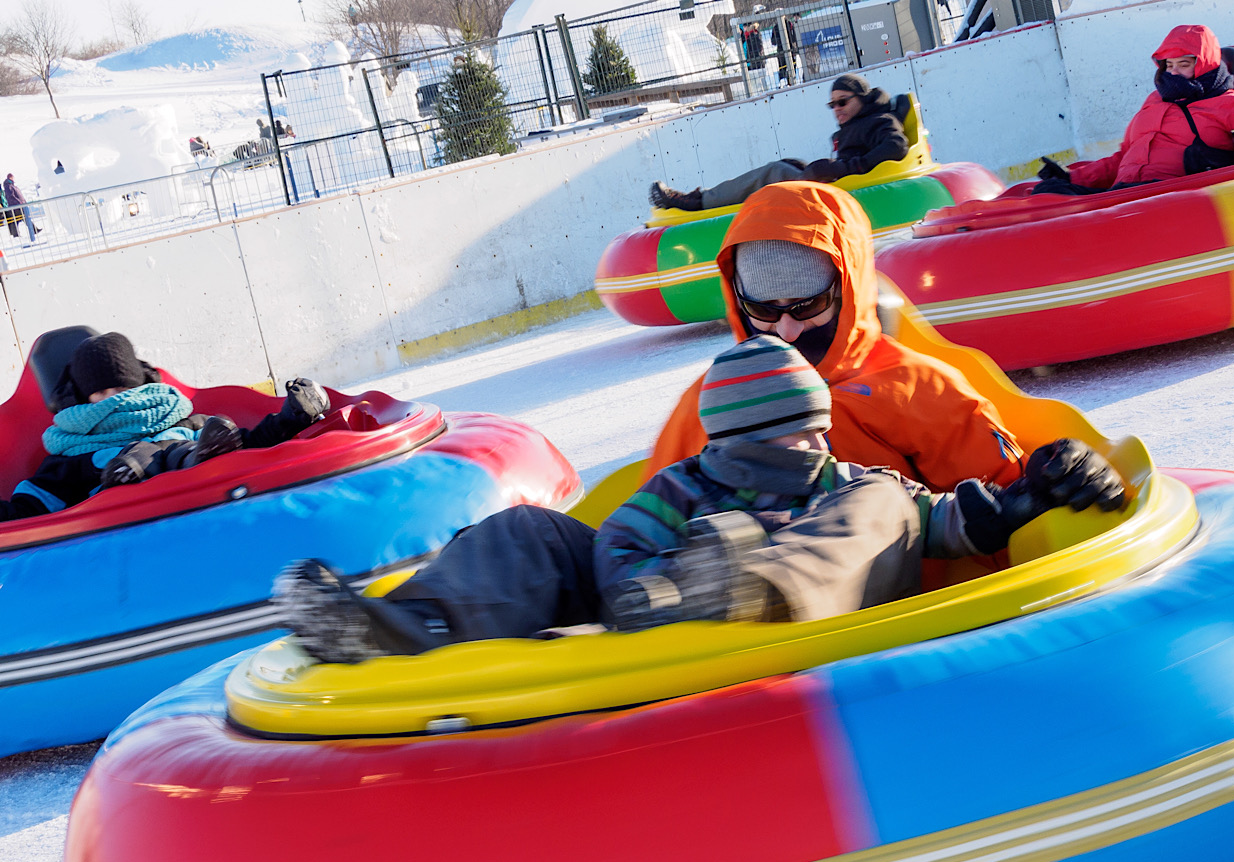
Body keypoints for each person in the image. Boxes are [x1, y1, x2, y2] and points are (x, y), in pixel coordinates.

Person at [271, 336, 1124, 662]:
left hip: (798, 618)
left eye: (810, 431)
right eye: (779, 435)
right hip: (665, 603)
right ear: (727, 443)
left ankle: (755, 592)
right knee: (533, 528)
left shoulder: (849, 484)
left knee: (887, 511)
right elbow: (615, 548)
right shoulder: (683, 486)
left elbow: (946, 520)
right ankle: (414, 626)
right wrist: (658, 586)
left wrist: (1030, 494)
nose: (802, 449)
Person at [647, 180, 1024, 498]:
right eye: (763, 311)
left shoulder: (919, 391)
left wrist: (1047, 481)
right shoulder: (707, 406)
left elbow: (1004, 502)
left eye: (808, 306)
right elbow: (650, 530)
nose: (786, 331)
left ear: (847, 292)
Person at [0, 332, 331, 522]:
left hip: (201, 508)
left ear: (140, 385)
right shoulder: (74, 457)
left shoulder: (182, 423)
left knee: (192, 443)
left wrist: (292, 417)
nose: (115, 401)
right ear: (84, 400)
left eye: (123, 390)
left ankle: (183, 461)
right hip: (123, 524)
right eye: (101, 393)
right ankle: (137, 470)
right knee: (145, 456)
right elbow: (30, 509)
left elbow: (251, 446)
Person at [1035, 25, 1234, 196]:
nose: (1174, 73)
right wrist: (1074, 177)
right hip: (1121, 194)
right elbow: (1124, 157)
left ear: (1205, 65)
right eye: (1169, 65)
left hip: (1171, 197)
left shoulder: (1231, 102)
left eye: (1184, 65)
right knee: (1048, 195)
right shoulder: (1154, 101)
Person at [649, 75, 909, 211]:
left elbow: (896, 146)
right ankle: (706, 198)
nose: (837, 109)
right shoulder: (856, 123)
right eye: (833, 104)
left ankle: (698, 201)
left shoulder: (879, 120)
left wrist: (843, 168)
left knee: (774, 171)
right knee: (787, 165)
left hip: (849, 191)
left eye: (843, 102)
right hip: (841, 186)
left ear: (863, 98)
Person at [3, 175, 37, 243]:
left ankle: (17, 234)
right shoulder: (8, 186)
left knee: (20, 219)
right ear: (10, 177)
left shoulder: (11, 185)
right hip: (16, 206)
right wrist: (19, 202)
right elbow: (11, 196)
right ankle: (33, 230)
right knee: (22, 218)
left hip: (18, 205)